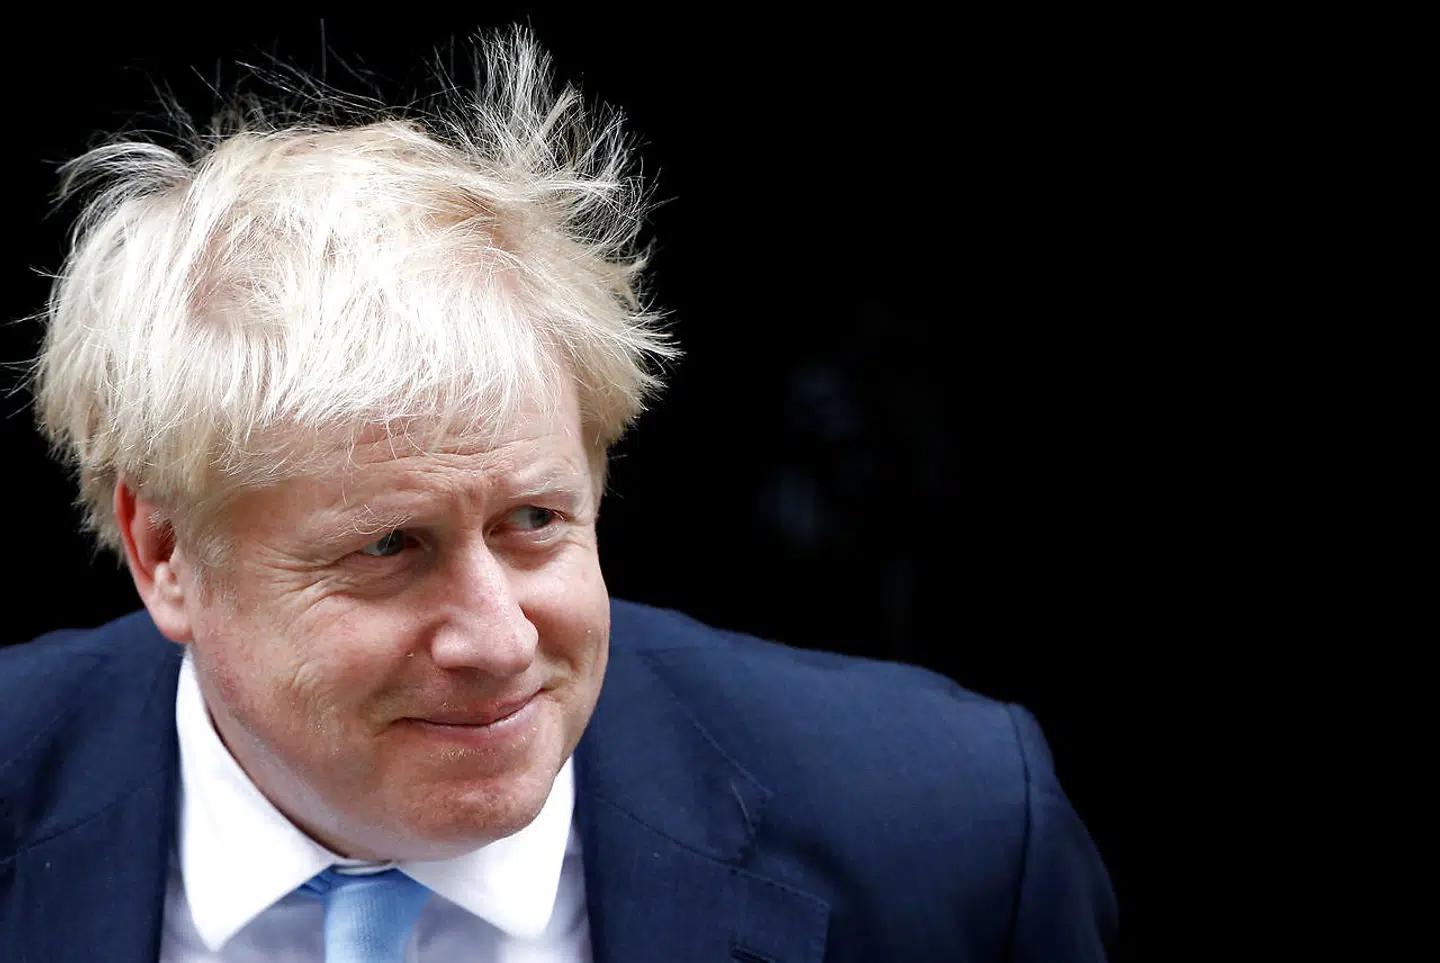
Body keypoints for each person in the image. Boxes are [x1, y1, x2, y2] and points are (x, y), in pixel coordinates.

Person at [0, 28, 1115, 963]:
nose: (499, 640)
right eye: (390, 547)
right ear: (164, 553)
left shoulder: (951, 832)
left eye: (533, 522)